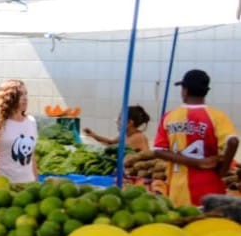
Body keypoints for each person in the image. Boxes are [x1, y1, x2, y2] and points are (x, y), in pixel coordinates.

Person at [153, 69, 238, 207]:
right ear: (206, 91)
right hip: (209, 184)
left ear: (185, 91)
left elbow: (158, 150)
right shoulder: (217, 116)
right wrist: (223, 170)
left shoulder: (170, 117)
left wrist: (194, 162)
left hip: (177, 186)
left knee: (183, 221)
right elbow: (233, 141)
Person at [0, 79, 38, 183]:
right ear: (8, 98)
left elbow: (32, 157)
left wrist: (36, 180)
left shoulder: (31, 121)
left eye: (26, 94)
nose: (25, 98)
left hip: (28, 184)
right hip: (5, 184)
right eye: (20, 95)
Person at [84, 106, 151, 153]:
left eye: (120, 119)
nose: (117, 122)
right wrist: (93, 135)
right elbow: (110, 142)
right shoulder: (126, 135)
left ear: (129, 123)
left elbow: (117, 151)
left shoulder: (138, 138)